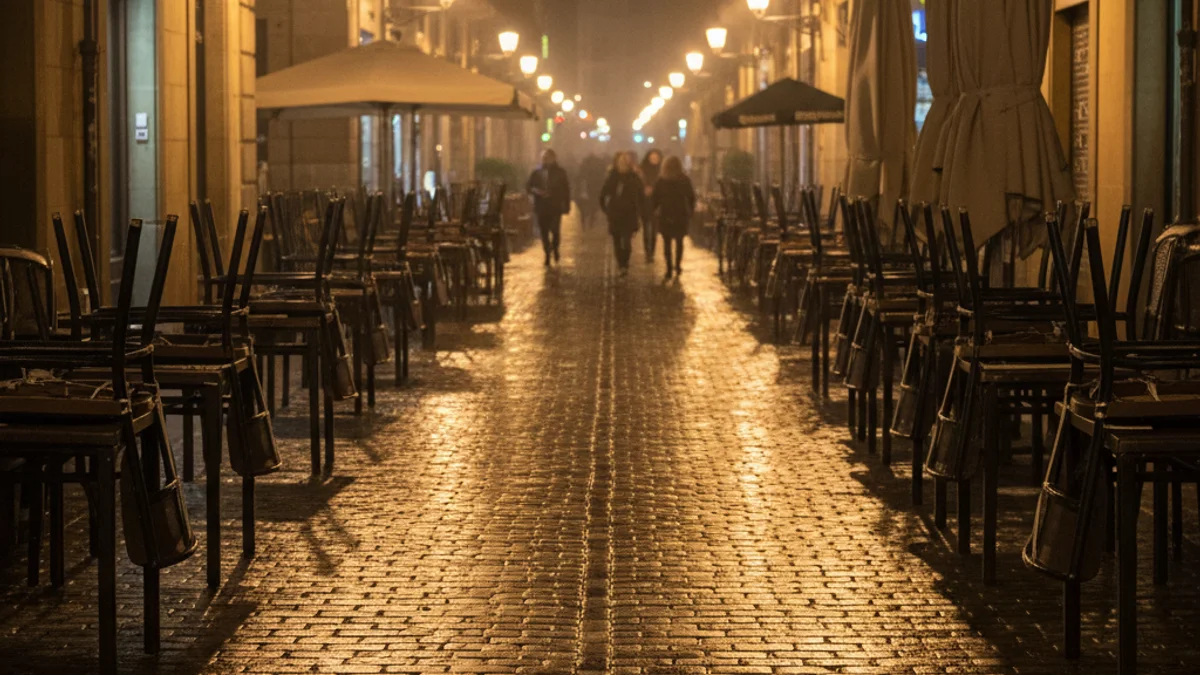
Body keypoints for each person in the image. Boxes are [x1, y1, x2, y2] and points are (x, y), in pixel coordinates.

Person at [651, 156, 696, 280]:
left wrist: (654, 210)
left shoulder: (661, 180)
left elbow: (655, 198)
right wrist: (691, 211)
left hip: (666, 213)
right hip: (680, 213)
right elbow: (691, 196)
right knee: (679, 241)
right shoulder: (684, 179)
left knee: (667, 243)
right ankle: (677, 265)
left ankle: (669, 268)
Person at [599, 152, 644, 274]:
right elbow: (603, 194)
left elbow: (641, 196)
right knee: (617, 240)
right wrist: (606, 209)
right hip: (615, 214)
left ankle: (625, 264)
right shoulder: (612, 177)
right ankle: (621, 263)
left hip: (629, 214)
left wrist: (640, 210)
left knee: (627, 240)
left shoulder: (634, 177)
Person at [526, 149, 572, 266]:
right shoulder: (536, 172)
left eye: (547, 157)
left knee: (555, 230)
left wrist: (566, 205)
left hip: (555, 206)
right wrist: (536, 191)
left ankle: (555, 248)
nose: (545, 159)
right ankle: (547, 253)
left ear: (553, 158)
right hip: (541, 206)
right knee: (544, 231)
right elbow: (529, 186)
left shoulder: (560, 172)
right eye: (543, 157)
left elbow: (566, 189)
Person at [639, 149, 664, 260]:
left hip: (656, 203)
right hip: (645, 202)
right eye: (652, 157)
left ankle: (652, 251)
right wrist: (643, 190)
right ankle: (647, 251)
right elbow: (637, 185)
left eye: (656, 158)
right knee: (646, 228)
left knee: (654, 229)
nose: (654, 160)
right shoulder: (642, 170)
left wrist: (654, 190)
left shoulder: (662, 171)